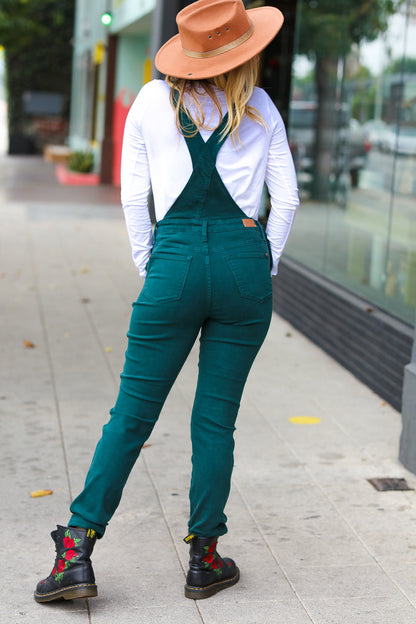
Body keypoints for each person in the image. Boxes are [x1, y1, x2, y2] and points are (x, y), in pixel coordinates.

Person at [34, 0, 299, 604]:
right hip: (244, 266)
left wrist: (154, 266)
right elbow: (285, 203)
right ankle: (205, 560)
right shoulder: (261, 107)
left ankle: (76, 550)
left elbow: (134, 199)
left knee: (131, 414)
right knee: (216, 419)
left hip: (172, 262)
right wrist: (262, 264)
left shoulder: (152, 100)